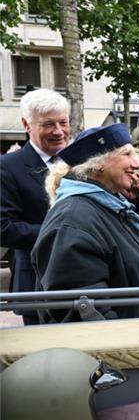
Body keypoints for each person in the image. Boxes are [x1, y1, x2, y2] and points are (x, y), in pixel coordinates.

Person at [31, 124, 139, 323]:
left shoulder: (115, 205)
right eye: (127, 154)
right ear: (99, 163)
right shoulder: (73, 220)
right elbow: (83, 310)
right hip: (126, 346)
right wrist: (129, 348)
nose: (136, 164)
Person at [0, 88, 71, 324]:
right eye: (48, 124)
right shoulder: (8, 167)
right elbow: (4, 228)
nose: (59, 131)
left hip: (88, 282)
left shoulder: (82, 160)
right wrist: (65, 234)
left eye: (63, 122)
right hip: (37, 285)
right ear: (26, 124)